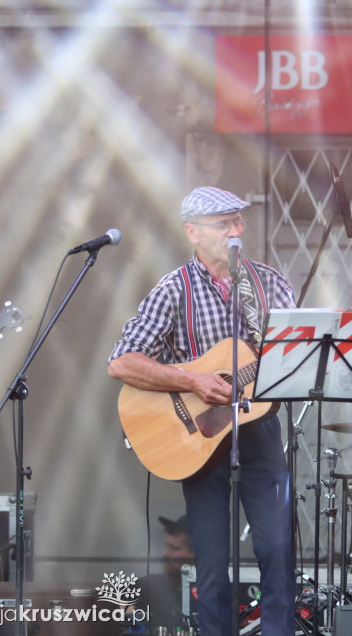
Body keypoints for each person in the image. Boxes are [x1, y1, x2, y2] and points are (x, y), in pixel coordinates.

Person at [108, 186, 296, 636]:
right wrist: (193, 380)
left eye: (237, 221)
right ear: (192, 231)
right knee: (211, 563)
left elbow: (296, 352)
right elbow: (122, 362)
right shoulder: (174, 289)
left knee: (278, 551)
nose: (234, 231)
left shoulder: (268, 281)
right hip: (200, 438)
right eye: (222, 224)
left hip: (259, 431)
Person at [140, 514, 195, 630]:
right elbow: (110, 603)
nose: (165, 553)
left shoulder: (211, 594)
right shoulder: (150, 585)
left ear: (195, 553)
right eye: (167, 546)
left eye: (174, 548)